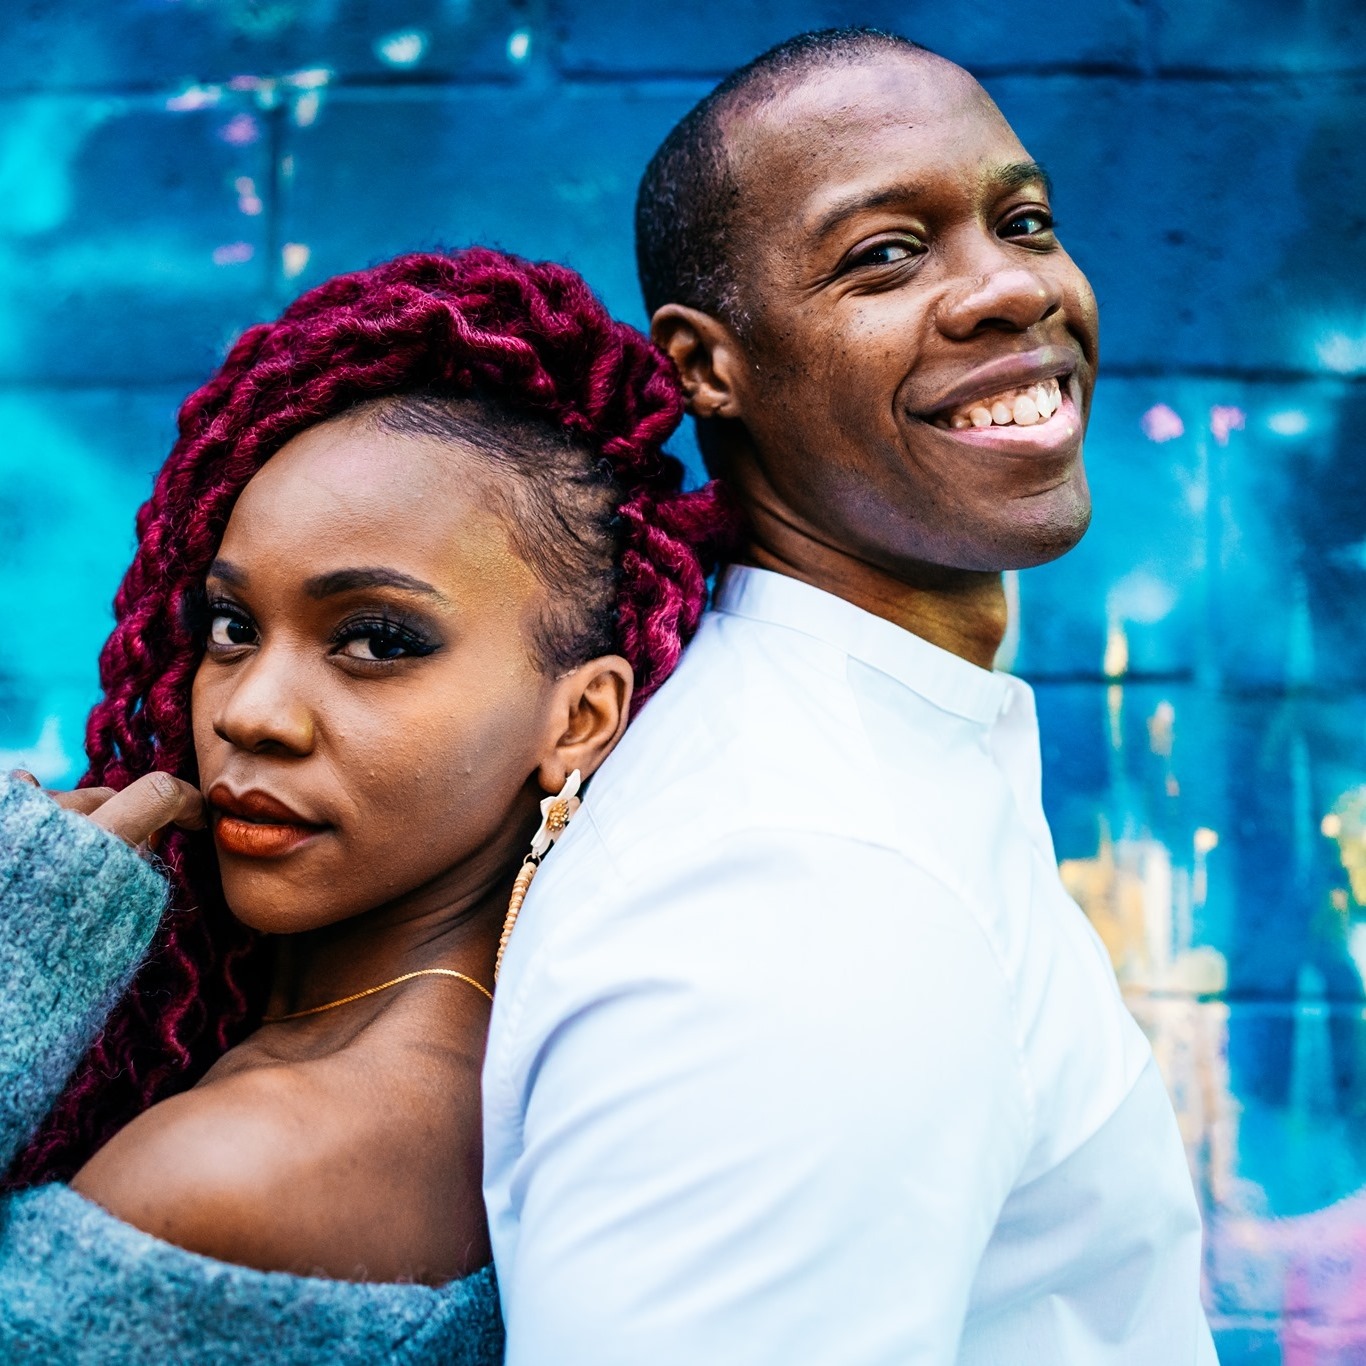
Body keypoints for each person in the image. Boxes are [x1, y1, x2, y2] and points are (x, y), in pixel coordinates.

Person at [484, 28, 1218, 1365]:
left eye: (1024, 222)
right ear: (708, 367)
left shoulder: (857, 762)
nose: (1010, 288)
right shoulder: (798, 888)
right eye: (885, 254)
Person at [0, 247, 728, 1361]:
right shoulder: (382, 1063)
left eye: (377, 641)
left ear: (578, 719)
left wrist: (20, 945)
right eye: (232, 628)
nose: (251, 712)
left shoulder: (238, 1166)